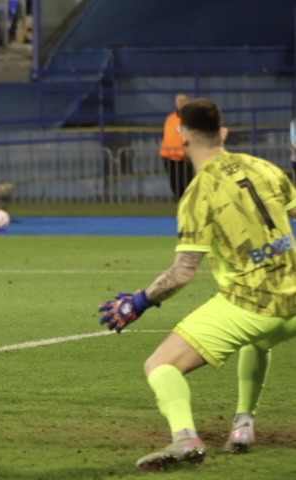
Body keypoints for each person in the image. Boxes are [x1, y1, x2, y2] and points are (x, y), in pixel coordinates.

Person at [97, 98, 296, 471]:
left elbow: (182, 273)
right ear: (223, 132)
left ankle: (185, 438)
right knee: (259, 341)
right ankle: (243, 424)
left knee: (161, 364)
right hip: (293, 298)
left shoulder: (199, 192)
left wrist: (138, 302)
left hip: (252, 303)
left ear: (182, 138)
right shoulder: (265, 168)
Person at [161, 93, 193, 200]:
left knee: (187, 184)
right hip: (168, 156)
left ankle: (189, 203)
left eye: (182, 101)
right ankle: (179, 202)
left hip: (184, 157)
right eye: (178, 101)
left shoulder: (191, 118)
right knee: (175, 184)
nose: (180, 103)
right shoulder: (170, 118)